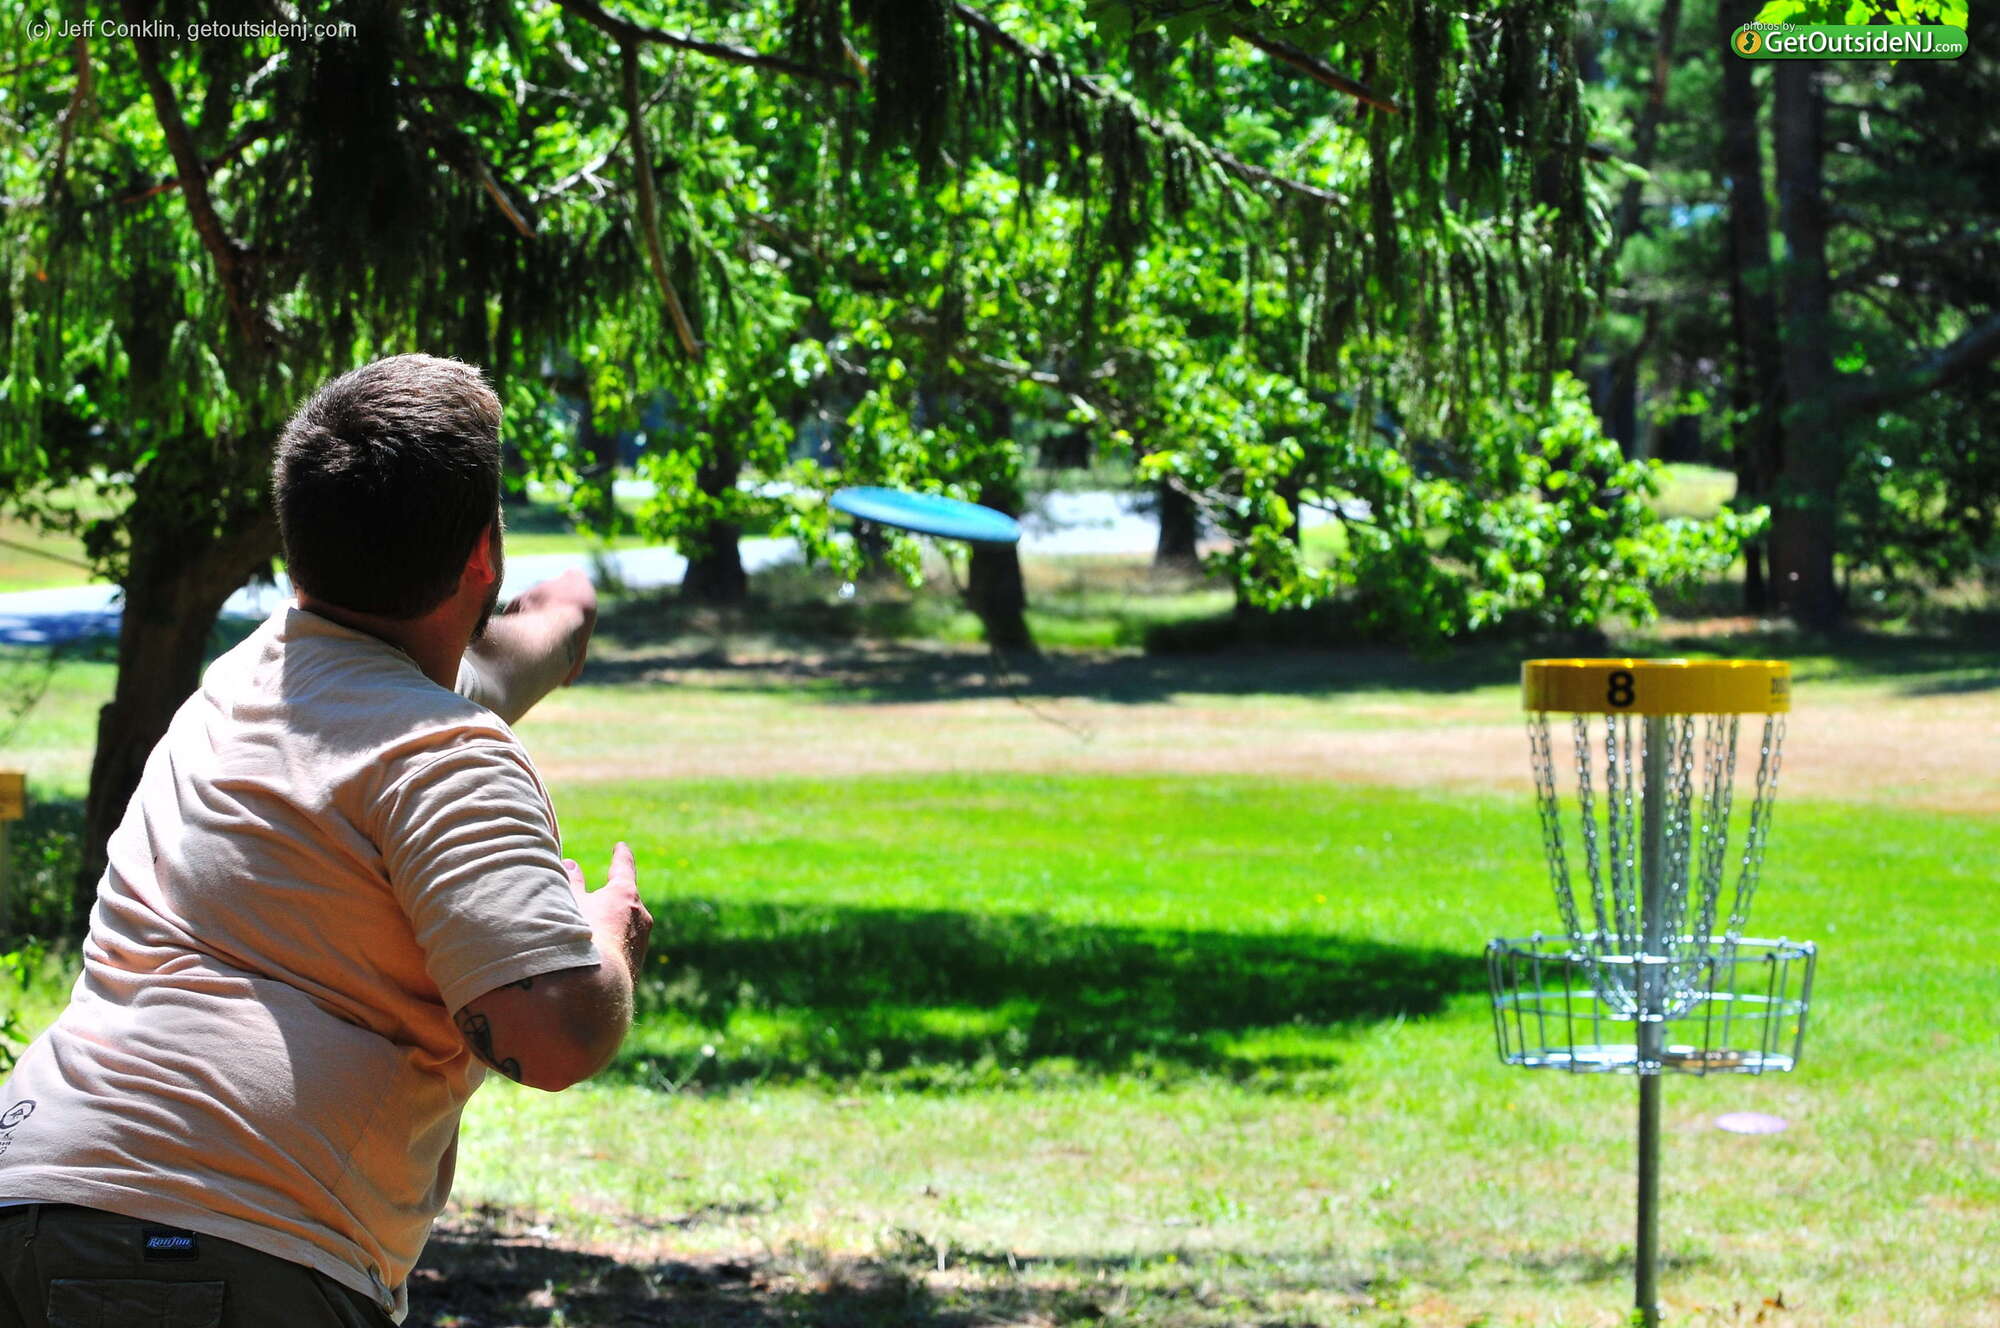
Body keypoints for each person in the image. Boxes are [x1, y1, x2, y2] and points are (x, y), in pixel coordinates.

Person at [0, 354, 652, 1327]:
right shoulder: (442, 753)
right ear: (482, 555)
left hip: (32, 1197)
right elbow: (552, 1034)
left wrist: (567, 617)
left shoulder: (248, 680)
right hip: (227, 1239)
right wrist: (606, 936)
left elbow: (475, 667)